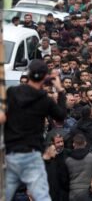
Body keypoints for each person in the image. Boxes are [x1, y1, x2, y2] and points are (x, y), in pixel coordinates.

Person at [5, 59, 66, 201]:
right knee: (42, 196)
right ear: (46, 77)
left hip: (10, 153)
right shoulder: (45, 101)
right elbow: (61, 116)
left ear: (29, 73)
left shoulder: (12, 92)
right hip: (31, 155)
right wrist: (60, 90)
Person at [65, 134, 92, 200]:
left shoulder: (67, 160)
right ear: (85, 143)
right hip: (90, 193)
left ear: (73, 144)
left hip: (73, 194)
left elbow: (64, 180)